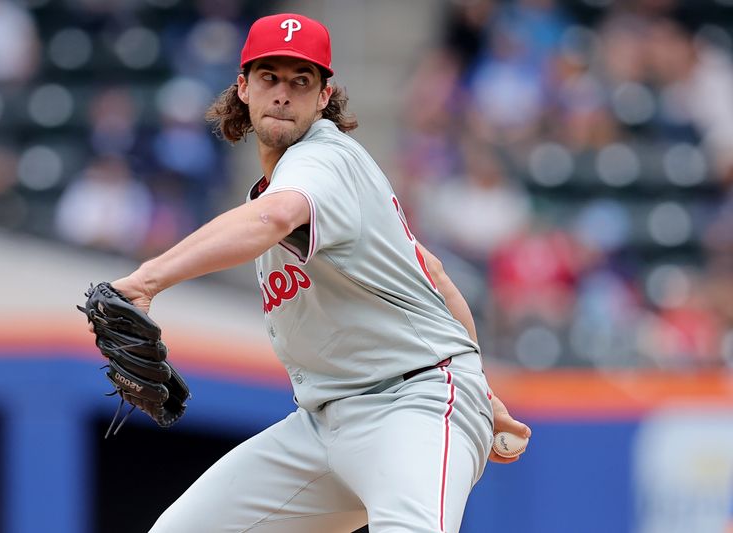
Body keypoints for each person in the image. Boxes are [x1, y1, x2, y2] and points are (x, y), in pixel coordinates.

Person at [108, 13, 531, 532]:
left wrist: (146, 281)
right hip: (322, 424)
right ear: (243, 87)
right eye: (269, 78)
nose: (283, 94)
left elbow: (278, 216)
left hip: (413, 405)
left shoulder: (323, 158)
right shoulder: (289, 187)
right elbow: (436, 277)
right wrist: (482, 391)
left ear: (324, 96)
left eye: (300, 81)